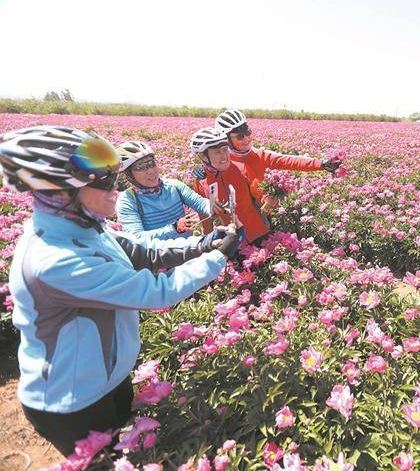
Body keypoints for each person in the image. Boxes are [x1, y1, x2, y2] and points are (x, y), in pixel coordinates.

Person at [0, 126, 242, 456]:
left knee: (128, 449)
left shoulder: (82, 223)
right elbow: (159, 291)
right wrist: (217, 257)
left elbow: (141, 250)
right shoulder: (55, 261)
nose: (116, 189)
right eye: (103, 181)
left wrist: (203, 243)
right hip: (71, 401)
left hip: (105, 377)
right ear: (59, 191)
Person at [193, 109, 341, 216]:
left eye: (248, 132)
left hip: (259, 209)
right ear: (226, 138)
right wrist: (203, 169)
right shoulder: (222, 160)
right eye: (239, 136)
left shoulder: (259, 155)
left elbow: (289, 160)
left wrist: (321, 164)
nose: (246, 139)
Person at [116, 141, 222, 239]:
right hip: (157, 256)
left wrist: (211, 206)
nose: (150, 171)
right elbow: (136, 237)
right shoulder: (127, 200)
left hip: (188, 249)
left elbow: (199, 202)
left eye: (152, 163)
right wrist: (174, 228)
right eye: (140, 167)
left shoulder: (174, 186)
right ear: (128, 175)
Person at [190, 127, 270, 245]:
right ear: (203, 156)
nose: (224, 156)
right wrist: (208, 240)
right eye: (217, 152)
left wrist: (269, 201)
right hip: (232, 241)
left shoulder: (242, 169)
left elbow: (261, 196)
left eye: (225, 149)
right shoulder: (201, 181)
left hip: (258, 234)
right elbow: (203, 215)